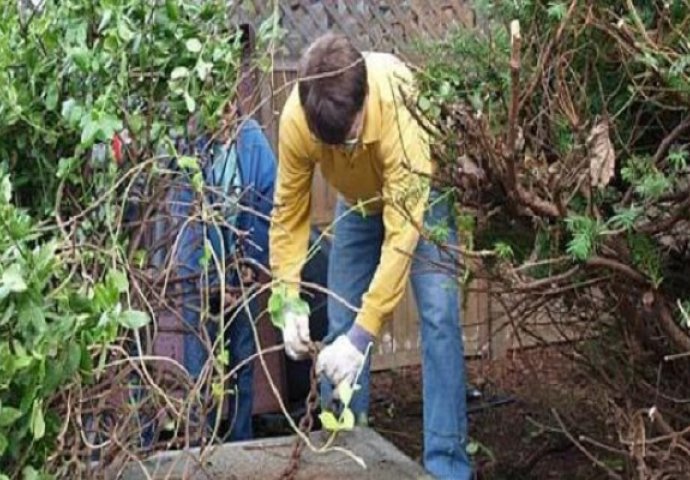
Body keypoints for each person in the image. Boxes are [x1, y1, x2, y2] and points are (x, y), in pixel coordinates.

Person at [269, 33, 472, 479]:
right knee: (339, 318)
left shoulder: (398, 106)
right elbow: (289, 214)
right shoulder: (296, 120)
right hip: (358, 201)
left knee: (438, 317)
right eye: (333, 147)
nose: (344, 151)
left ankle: (448, 466)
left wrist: (364, 338)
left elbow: (402, 237)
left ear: (363, 101)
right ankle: (343, 459)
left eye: (351, 138)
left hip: (420, 196)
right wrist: (285, 300)